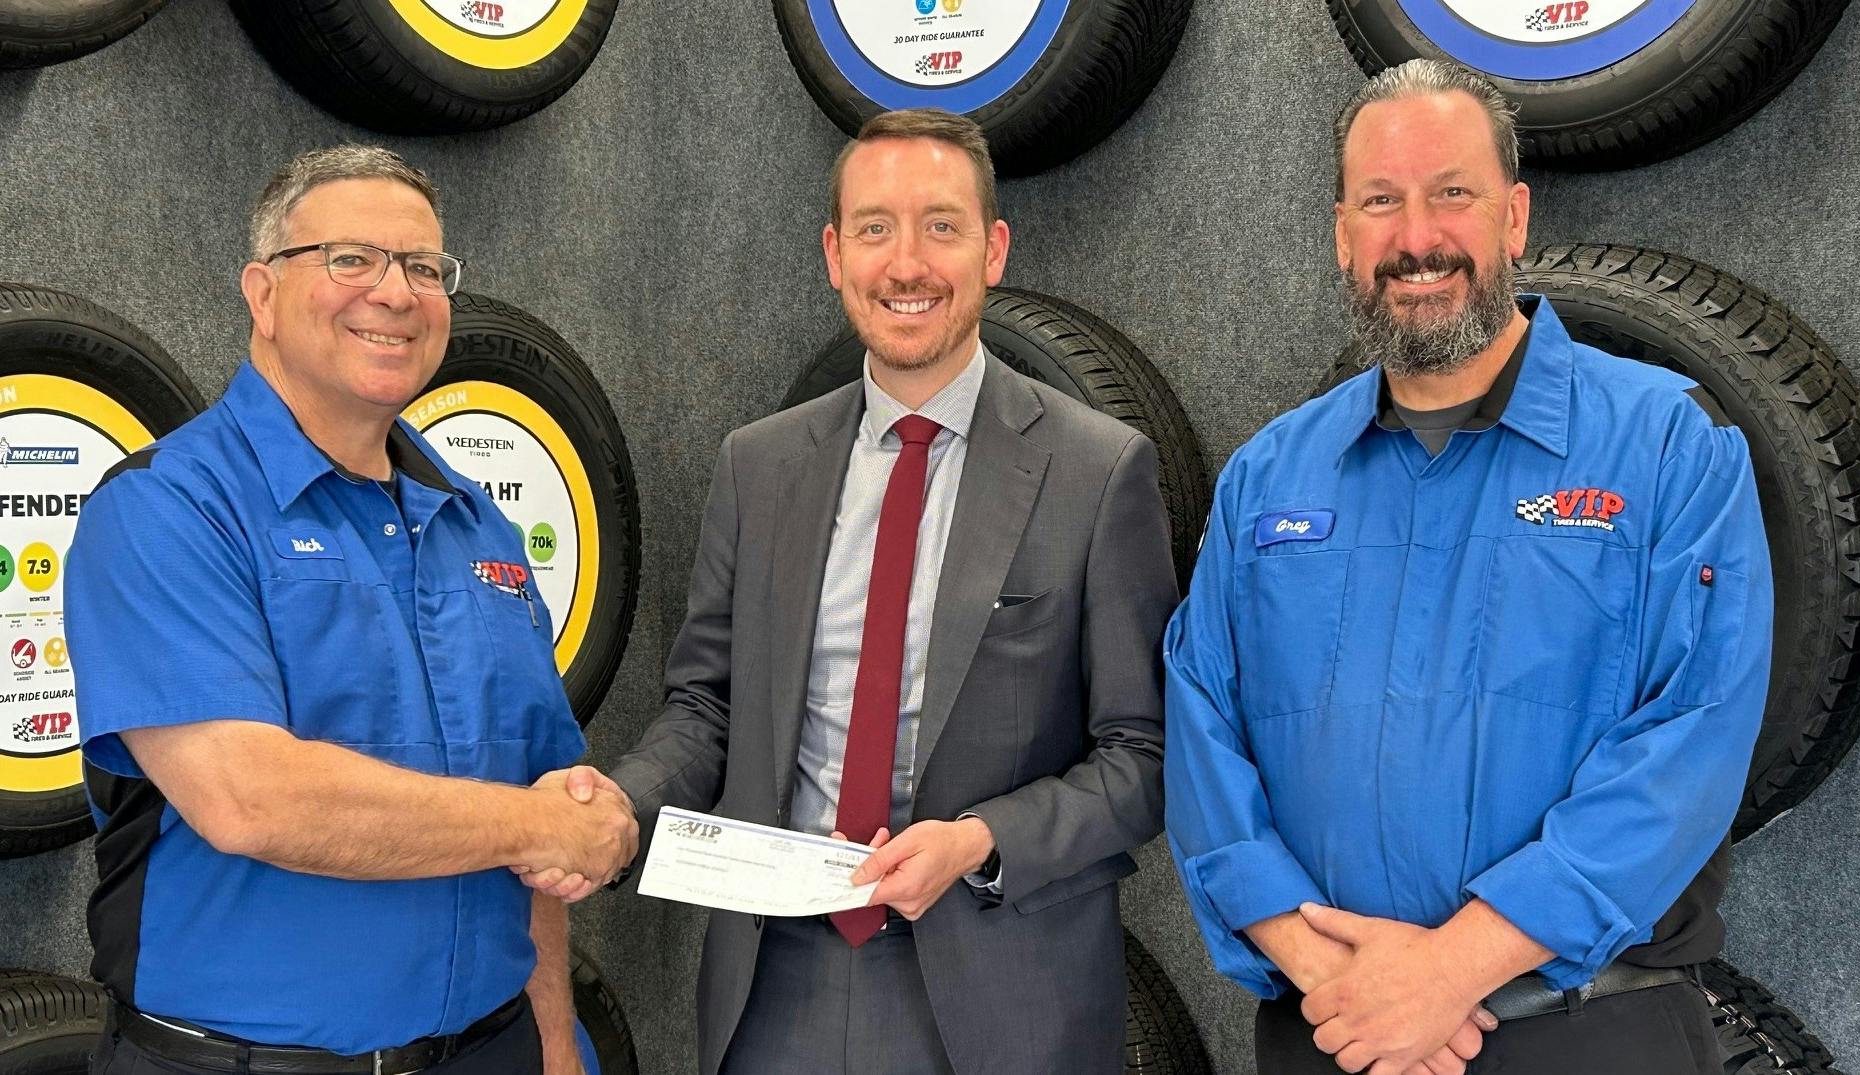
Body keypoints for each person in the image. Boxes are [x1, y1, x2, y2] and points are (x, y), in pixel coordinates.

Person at [1164, 59, 1772, 1075]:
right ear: (1342, 234)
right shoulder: (1266, 477)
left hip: (1587, 1037)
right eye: (1380, 202)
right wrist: (1333, 975)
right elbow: (1201, 736)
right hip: (1335, 1032)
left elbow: (1692, 738)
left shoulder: (1667, 445)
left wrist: (1450, 971)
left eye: (1451, 193)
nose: (1417, 238)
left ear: (1513, 217)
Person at [577, 108, 1178, 1074]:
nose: (906, 264)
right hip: (777, 989)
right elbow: (707, 708)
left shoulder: (1098, 471)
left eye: (941, 226)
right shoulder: (758, 466)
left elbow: (1143, 758)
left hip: (1003, 998)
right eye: (874, 228)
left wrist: (979, 840)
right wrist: (620, 805)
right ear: (834, 255)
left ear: (993, 249)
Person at [65, 145, 638, 1075]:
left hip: (490, 1051)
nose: (396, 292)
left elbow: (540, 798)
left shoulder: (479, 526)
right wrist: (539, 826)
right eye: (351, 259)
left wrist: (552, 1040)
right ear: (262, 294)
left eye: (424, 267)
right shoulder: (167, 509)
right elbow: (248, 798)